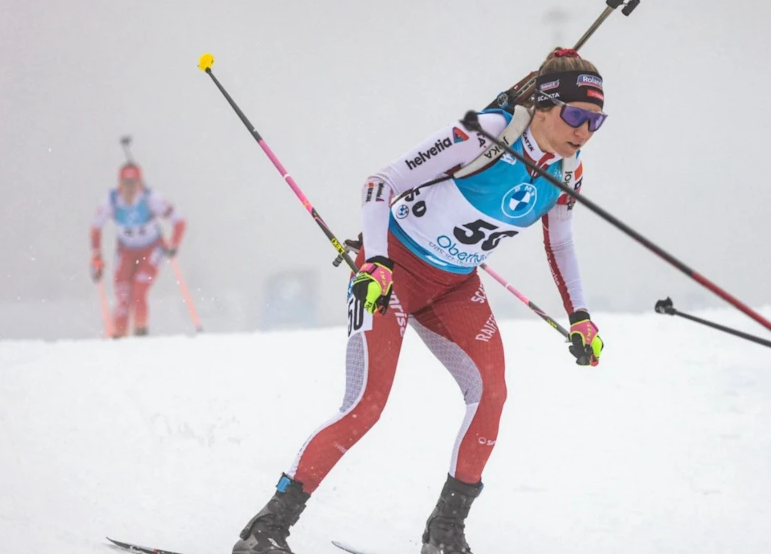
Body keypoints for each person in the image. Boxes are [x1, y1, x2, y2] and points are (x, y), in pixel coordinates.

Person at [232, 48, 608, 554]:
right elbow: (380, 182)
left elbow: (559, 240)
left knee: (491, 395)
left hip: (454, 286)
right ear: (543, 106)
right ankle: (267, 528)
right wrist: (376, 262)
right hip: (393, 274)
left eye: (596, 121)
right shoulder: (487, 130)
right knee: (366, 406)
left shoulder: (569, 168)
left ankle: (445, 533)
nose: (584, 131)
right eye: (576, 116)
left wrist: (580, 317)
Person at [90, 163, 186, 338]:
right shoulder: (111, 201)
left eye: (134, 183)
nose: (130, 188)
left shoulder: (151, 199)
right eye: (126, 183)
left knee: (139, 291)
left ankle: (141, 333)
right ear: (120, 183)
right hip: (125, 252)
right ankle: (118, 337)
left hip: (151, 251)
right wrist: (97, 257)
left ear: (140, 183)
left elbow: (179, 221)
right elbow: (96, 228)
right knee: (123, 296)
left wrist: (174, 244)